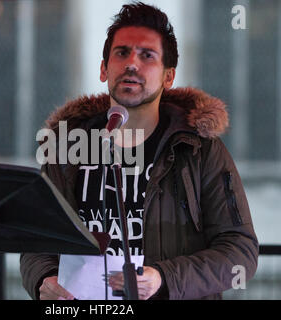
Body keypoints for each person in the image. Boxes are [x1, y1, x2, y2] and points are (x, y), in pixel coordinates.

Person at [20, 1, 258, 300]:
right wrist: (45, 279)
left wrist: (163, 278)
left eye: (147, 55)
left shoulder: (199, 150)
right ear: (104, 68)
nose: (132, 63)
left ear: (168, 77)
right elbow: (37, 241)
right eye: (122, 53)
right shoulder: (67, 149)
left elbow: (240, 251)